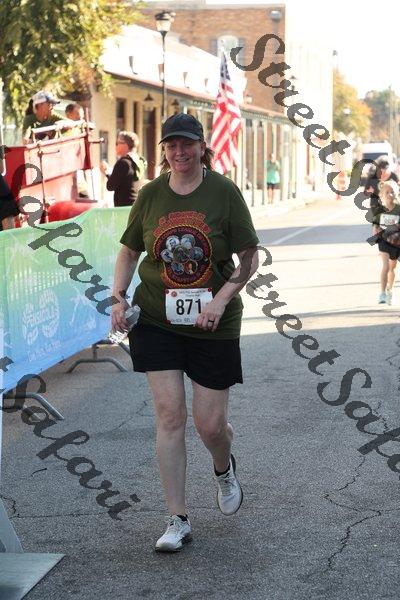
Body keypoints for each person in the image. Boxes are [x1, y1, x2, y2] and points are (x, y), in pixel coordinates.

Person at [111, 113, 260, 552]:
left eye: (187, 144)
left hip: (212, 322)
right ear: (164, 151)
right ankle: (177, 518)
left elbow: (250, 256)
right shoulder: (151, 194)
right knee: (169, 414)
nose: (180, 152)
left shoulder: (224, 192)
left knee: (210, 426)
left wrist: (220, 300)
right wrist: (118, 298)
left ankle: (223, 468)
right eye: (172, 145)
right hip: (157, 319)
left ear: (201, 147)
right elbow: (129, 250)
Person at [371, 179, 400, 305]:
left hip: (397, 242)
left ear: (396, 193)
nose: (390, 194)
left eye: (392, 192)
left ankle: (390, 290)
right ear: (382, 194)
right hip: (383, 241)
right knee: (386, 266)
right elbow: (375, 227)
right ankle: (382, 293)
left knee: (392, 268)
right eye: (387, 192)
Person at [100, 131, 146, 206]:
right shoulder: (139, 161)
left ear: (125, 145)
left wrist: (106, 172)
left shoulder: (123, 162)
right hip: (136, 205)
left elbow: (110, 186)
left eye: (117, 143)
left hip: (124, 207)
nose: (116, 146)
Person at [364, 155, 399, 219]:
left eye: (385, 169)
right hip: (376, 205)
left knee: (390, 223)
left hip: (391, 205)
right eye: (381, 169)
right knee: (378, 222)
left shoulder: (393, 176)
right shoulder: (372, 177)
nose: (384, 171)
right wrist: (369, 192)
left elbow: (398, 190)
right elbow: (365, 192)